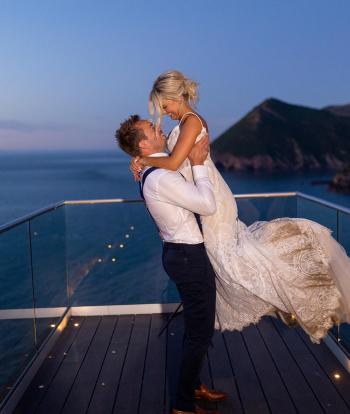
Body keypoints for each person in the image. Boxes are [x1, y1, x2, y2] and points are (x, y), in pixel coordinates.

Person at [130, 70, 350, 344]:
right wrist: (144, 162)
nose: (165, 113)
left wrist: (144, 160)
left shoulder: (191, 122)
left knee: (233, 262)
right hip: (204, 194)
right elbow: (175, 166)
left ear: (177, 96)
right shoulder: (186, 123)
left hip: (213, 200)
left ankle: (293, 294)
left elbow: (174, 163)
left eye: (166, 106)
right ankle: (279, 298)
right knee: (230, 262)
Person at [115, 115, 227, 414]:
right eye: (152, 128)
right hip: (188, 257)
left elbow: (171, 163)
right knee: (200, 332)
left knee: (196, 329)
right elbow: (207, 205)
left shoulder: (155, 169)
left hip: (181, 254)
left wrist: (140, 161)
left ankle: (192, 386)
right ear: (143, 143)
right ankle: (183, 405)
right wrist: (200, 163)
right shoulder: (161, 176)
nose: (159, 128)